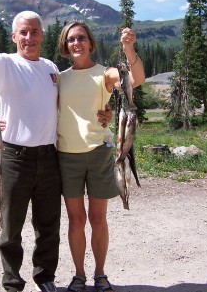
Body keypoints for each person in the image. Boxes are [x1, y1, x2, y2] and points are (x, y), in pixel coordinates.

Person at [0, 11, 111, 292]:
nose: (29, 37)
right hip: (14, 157)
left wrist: (105, 111)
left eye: (34, 31)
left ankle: (45, 277)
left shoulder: (50, 68)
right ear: (13, 37)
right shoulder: (3, 62)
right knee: (11, 226)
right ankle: (12, 281)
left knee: (48, 225)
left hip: (50, 156)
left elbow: (73, 101)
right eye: (23, 32)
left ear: (42, 36)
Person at [56, 21, 145, 292]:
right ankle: (79, 275)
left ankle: (100, 274)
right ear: (65, 45)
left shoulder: (105, 74)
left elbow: (136, 79)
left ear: (90, 42)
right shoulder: (59, 78)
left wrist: (129, 49)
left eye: (81, 38)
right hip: (66, 155)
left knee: (97, 219)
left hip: (98, 154)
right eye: (71, 39)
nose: (77, 43)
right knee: (76, 220)